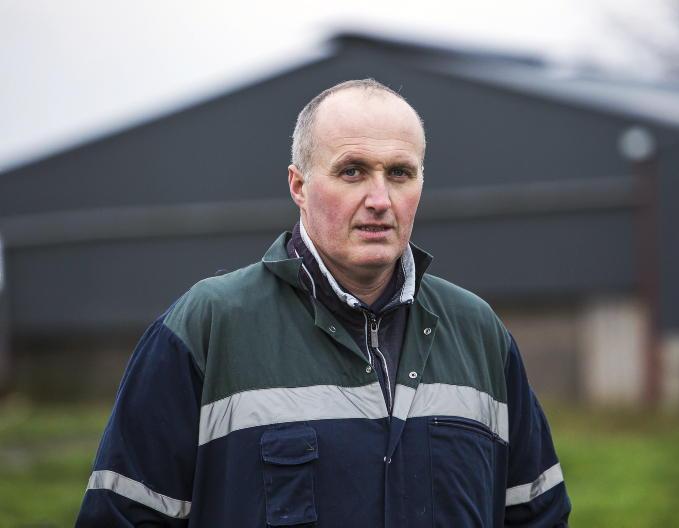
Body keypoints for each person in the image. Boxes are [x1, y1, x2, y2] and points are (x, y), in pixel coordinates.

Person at [76, 79, 571, 527]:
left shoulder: (477, 331)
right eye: (352, 171)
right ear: (299, 185)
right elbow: (123, 517)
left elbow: (538, 514)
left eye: (400, 173)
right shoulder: (209, 326)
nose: (380, 199)